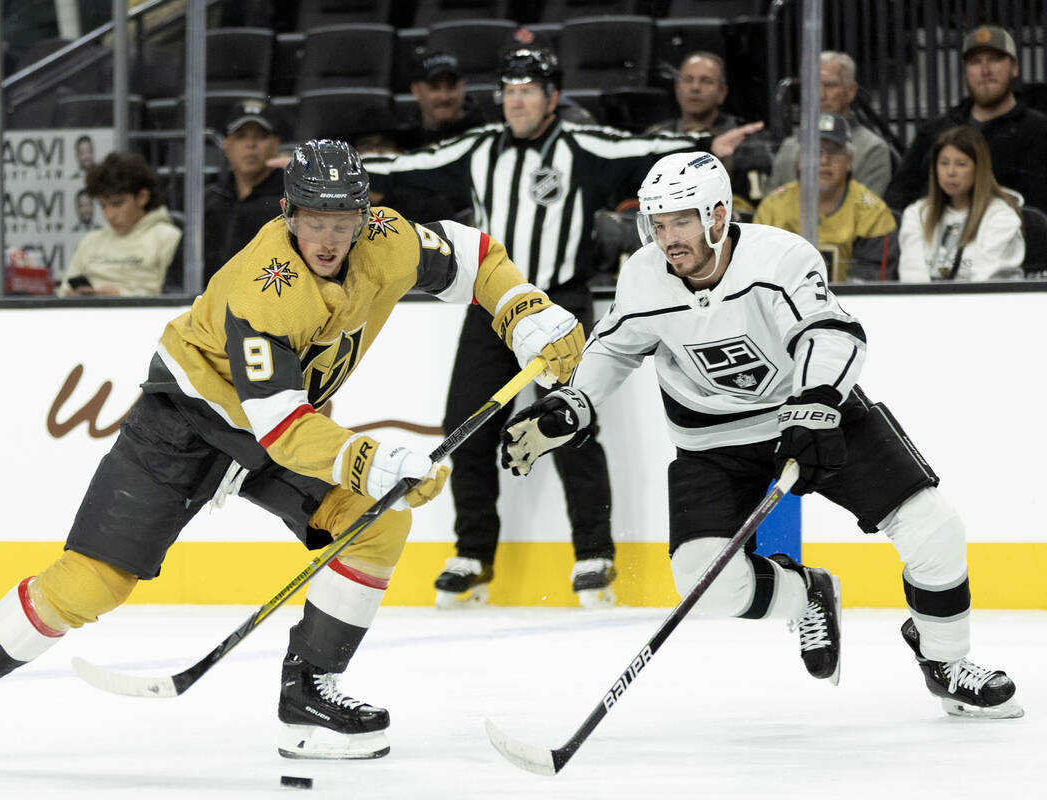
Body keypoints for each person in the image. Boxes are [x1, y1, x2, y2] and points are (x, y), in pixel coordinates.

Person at [0, 139, 587, 763]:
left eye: (343, 223)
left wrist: (523, 308)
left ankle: (309, 692)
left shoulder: (385, 238)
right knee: (91, 583)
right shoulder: (266, 287)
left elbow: (473, 256)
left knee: (377, 523)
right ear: (289, 213)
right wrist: (373, 461)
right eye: (315, 222)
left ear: (364, 215)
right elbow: (280, 426)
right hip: (185, 422)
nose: (329, 239)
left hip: (278, 426)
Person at [500, 150, 1022, 720]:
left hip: (812, 413)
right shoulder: (645, 274)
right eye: (657, 222)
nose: (667, 237)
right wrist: (571, 403)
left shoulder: (780, 257)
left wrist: (817, 404)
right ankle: (807, 594)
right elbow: (615, 346)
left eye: (681, 220)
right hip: (710, 442)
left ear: (718, 215)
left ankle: (946, 662)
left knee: (935, 530)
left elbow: (832, 332)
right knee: (706, 583)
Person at [365, 45, 764, 608]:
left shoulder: (581, 146)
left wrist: (703, 147)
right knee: (466, 425)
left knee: (571, 422)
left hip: (560, 306)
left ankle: (593, 554)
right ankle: (473, 555)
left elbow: (641, 150)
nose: (517, 101)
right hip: (492, 306)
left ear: (552, 98)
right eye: (509, 91)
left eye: (528, 91)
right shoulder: (479, 149)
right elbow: (414, 167)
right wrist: (347, 175)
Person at [886, 25, 1047, 214]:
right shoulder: (936, 130)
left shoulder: (1038, 130)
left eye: (994, 60)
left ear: (1014, 67)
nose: (985, 70)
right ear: (966, 72)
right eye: (975, 62)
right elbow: (897, 197)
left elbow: (1037, 213)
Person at [754, 113, 897, 282]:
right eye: (814, 151)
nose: (823, 160)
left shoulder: (874, 213)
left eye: (834, 151)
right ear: (800, 158)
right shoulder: (772, 207)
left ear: (849, 160)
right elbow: (759, 276)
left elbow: (870, 287)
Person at [647, 51, 772, 214]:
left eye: (706, 81)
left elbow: (753, 207)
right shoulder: (655, 138)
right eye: (688, 80)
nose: (695, 87)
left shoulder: (742, 139)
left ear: (722, 93)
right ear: (677, 90)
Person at [897, 125, 1024, 282]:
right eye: (944, 163)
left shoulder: (1001, 217)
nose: (950, 172)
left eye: (961, 164)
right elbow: (912, 277)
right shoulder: (917, 214)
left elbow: (988, 282)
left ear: (979, 169)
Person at [767, 51, 893, 198]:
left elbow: (867, 213)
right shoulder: (790, 147)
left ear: (850, 91)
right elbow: (769, 207)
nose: (820, 95)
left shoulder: (872, 149)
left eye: (830, 85)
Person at [57, 152, 181, 297]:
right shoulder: (90, 241)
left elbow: (174, 299)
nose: (109, 215)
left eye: (117, 204)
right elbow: (63, 291)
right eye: (103, 206)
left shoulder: (168, 238)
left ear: (142, 197)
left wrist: (119, 297)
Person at [203, 99, 285, 285]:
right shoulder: (210, 198)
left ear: (276, 144)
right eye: (241, 136)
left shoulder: (293, 198)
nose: (251, 144)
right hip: (206, 304)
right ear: (226, 145)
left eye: (261, 136)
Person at [407, 50, 490, 147]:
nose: (444, 97)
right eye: (434, 87)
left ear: (463, 86)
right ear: (416, 91)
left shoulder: (485, 139)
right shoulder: (403, 142)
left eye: (451, 86)